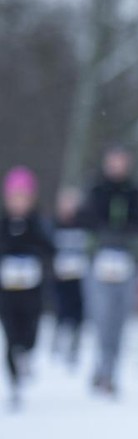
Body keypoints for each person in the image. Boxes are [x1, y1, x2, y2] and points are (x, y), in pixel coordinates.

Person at [79, 144, 138, 394]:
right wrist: (104, 231)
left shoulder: (135, 192)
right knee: (101, 318)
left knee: (119, 321)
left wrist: (126, 231)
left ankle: (111, 370)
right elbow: (83, 219)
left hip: (127, 264)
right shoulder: (95, 189)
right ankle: (101, 366)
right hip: (99, 263)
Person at [1, 166, 55, 410]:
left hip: (32, 290)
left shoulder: (38, 223)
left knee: (30, 331)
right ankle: (14, 385)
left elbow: (50, 249)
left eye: (23, 197)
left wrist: (34, 259)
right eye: (14, 197)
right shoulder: (3, 224)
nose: (19, 203)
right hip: (7, 291)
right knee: (10, 335)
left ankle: (27, 354)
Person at [48, 186, 92, 366]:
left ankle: (74, 343)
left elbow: (90, 248)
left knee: (78, 310)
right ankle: (58, 339)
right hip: (60, 277)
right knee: (61, 308)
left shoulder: (84, 224)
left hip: (79, 277)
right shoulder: (52, 224)